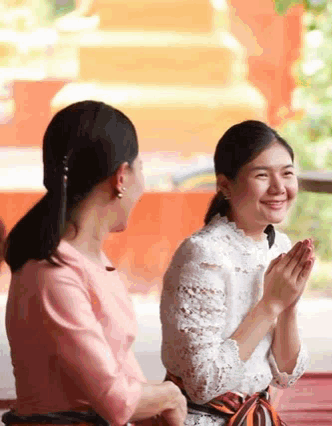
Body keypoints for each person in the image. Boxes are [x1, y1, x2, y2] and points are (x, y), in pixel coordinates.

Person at [3, 100, 187, 426]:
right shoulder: (53, 273)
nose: (143, 184)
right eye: (141, 168)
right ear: (121, 177)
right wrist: (170, 395)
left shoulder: (93, 262)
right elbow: (117, 402)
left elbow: (128, 385)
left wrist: (161, 408)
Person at [160, 120, 314, 426]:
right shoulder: (203, 254)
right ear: (225, 185)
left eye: (287, 173)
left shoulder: (278, 245)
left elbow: (285, 374)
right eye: (262, 175)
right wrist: (270, 304)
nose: (279, 188)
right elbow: (203, 384)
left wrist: (288, 304)